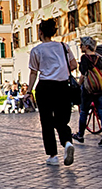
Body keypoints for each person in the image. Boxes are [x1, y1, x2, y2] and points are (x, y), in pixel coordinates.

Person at [28, 18, 78, 166]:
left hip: (45, 88)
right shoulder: (63, 46)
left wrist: (28, 91)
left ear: (41, 32)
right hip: (63, 87)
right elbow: (74, 64)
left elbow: (33, 72)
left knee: (47, 122)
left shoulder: (36, 50)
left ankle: (53, 155)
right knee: (62, 120)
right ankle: (67, 142)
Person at [73, 36, 102, 147]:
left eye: (82, 45)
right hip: (101, 88)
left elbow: (83, 75)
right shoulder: (99, 58)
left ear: (87, 46)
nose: (80, 47)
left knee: (84, 111)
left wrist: (78, 86)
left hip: (89, 89)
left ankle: (80, 135)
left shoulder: (84, 58)